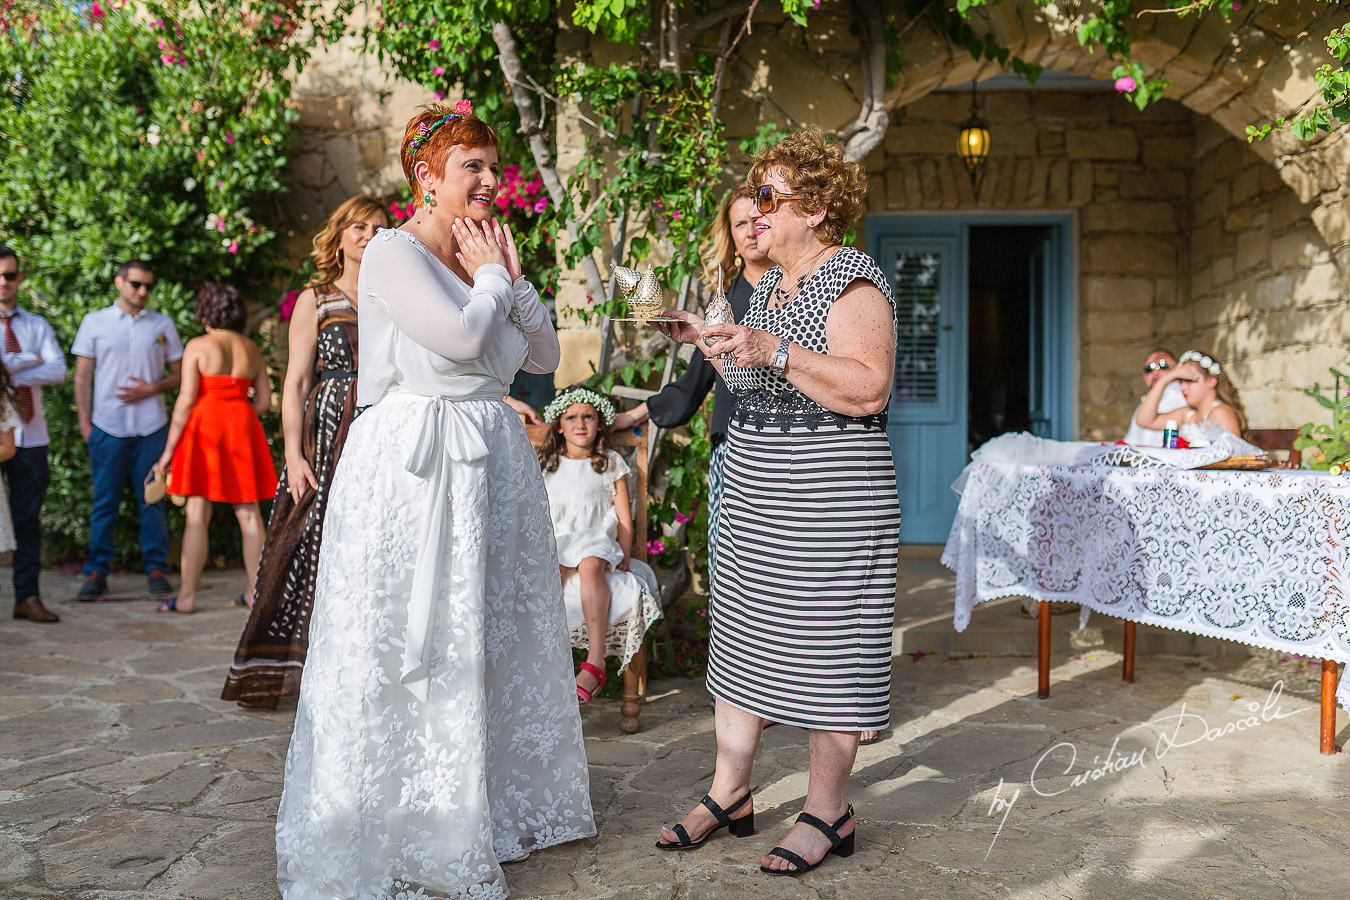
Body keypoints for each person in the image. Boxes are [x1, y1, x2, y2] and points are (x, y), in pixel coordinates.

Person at [275, 102, 593, 899]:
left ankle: (479, 807)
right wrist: (491, 279)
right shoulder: (391, 251)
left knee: (486, 632)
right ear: (427, 178)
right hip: (418, 467)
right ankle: (404, 816)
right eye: (472, 168)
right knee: (413, 637)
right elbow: (457, 340)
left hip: (490, 464)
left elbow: (543, 355)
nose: (491, 180)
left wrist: (510, 280)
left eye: (494, 165)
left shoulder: (483, 252)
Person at [652, 127, 900, 875]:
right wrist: (712, 344)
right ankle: (731, 793)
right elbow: (759, 387)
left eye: (770, 196)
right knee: (742, 639)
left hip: (831, 496)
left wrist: (776, 350)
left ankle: (829, 812)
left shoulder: (851, 276)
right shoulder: (766, 286)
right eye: (754, 195)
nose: (755, 211)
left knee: (831, 646)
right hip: (759, 492)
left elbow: (868, 385)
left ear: (819, 207)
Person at [220, 196, 385, 708]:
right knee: (306, 542)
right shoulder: (315, 299)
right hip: (327, 426)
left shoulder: (391, 297)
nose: (368, 236)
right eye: (358, 226)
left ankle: (362, 663)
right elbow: (293, 383)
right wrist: (293, 454)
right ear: (338, 235)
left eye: (379, 228)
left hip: (380, 426)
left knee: (372, 543)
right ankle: (289, 667)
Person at [153, 284, 276, 614]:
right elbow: (263, 401)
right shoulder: (252, 348)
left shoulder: (198, 345)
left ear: (206, 312)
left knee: (196, 515)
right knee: (249, 515)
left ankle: (187, 597)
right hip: (242, 427)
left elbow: (185, 401)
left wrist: (167, 454)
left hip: (206, 428)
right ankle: (255, 592)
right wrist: (239, 409)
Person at [539, 385, 661, 701]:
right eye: (572, 418)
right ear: (559, 424)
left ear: (601, 422)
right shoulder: (547, 463)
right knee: (552, 570)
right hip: (558, 540)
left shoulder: (609, 461)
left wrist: (624, 551)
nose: (580, 424)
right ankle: (547, 663)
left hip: (595, 539)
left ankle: (595, 662)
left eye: (588, 417)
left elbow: (623, 516)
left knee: (591, 564)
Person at [73, 260, 182, 600]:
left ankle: (156, 568)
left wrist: (151, 388)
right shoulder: (94, 322)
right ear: (119, 282)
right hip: (107, 427)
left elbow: (180, 375)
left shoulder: (163, 325)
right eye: (136, 284)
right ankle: (96, 572)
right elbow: (82, 377)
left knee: (152, 501)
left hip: (152, 427)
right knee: (104, 503)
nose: (142, 291)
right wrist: (85, 424)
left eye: (148, 286)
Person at [0, 245, 66, 623]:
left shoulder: (36, 325)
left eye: (9, 275)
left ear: (19, 277)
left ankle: (27, 596)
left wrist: (7, 369)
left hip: (31, 435)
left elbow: (58, 370)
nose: (3, 283)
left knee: (28, 519)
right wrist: (29, 360)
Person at [1136, 349, 1247, 442]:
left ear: (1211, 381)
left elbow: (1235, 457)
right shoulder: (1187, 414)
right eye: (1180, 382)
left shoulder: (1220, 412)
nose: (1183, 387)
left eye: (1189, 380)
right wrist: (1165, 379)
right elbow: (1144, 420)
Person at [1123, 349, 1187, 446]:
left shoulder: (1184, 396)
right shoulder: (1146, 401)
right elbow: (1130, 440)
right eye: (1149, 368)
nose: (1156, 372)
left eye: (1163, 366)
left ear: (1176, 370)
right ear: (1144, 376)